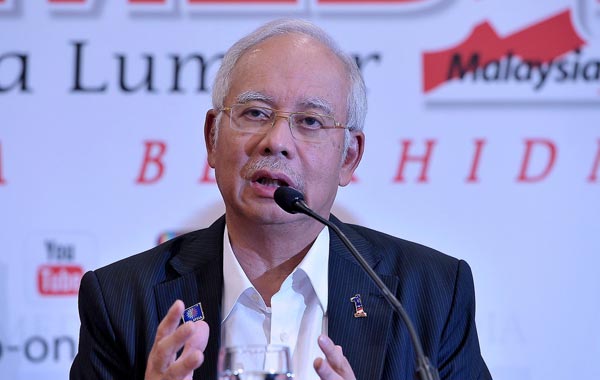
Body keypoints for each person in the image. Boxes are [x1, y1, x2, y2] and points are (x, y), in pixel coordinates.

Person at [70, 19, 492, 380]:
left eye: (310, 121)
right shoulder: (122, 299)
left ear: (349, 157)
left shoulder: (430, 295)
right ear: (212, 139)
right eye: (255, 112)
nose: (276, 142)